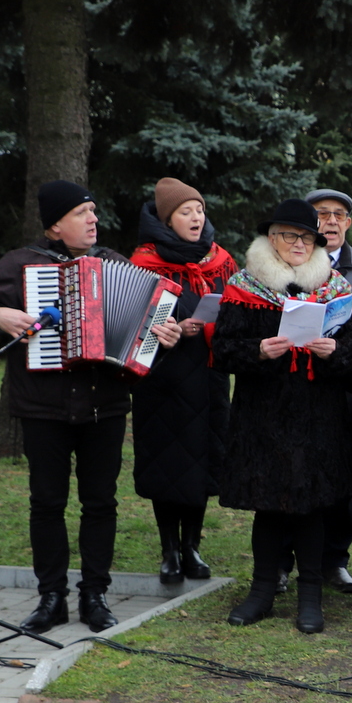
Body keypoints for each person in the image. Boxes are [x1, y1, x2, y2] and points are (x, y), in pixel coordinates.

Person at [0, 181, 178, 633]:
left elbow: (145, 337)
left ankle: (96, 594)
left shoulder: (113, 264)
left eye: (93, 211)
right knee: (46, 503)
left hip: (104, 407)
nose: (93, 219)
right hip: (43, 408)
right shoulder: (22, 265)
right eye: (81, 213)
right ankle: (51, 597)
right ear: (55, 226)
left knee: (100, 502)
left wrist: (161, 339)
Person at [213, 199, 352, 634]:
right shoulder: (244, 285)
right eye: (288, 236)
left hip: (319, 415)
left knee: (312, 510)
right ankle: (262, 591)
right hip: (262, 415)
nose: (298, 244)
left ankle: (311, 596)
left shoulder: (335, 288)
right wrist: (258, 350)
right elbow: (222, 349)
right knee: (268, 507)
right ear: (271, 239)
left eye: (306, 238)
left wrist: (334, 350)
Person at [128, 178, 238, 586]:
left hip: (208, 376)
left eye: (199, 210)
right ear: (166, 218)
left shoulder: (220, 261)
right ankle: (169, 550)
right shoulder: (144, 261)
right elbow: (131, 323)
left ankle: (192, 545)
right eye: (186, 212)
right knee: (167, 463)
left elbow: (234, 312)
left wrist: (209, 327)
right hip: (162, 378)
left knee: (203, 460)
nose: (196, 218)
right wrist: (169, 329)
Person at [297, 187, 352, 595]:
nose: (330, 220)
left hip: (346, 389)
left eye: (338, 214)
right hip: (297, 388)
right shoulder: (290, 260)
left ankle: (334, 560)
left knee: (342, 482)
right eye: (321, 213)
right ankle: (285, 561)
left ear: (348, 223)